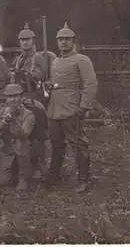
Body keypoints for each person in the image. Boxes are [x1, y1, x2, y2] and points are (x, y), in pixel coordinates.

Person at [46, 22, 97, 193]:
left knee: (78, 144)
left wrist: (83, 106)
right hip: (54, 108)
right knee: (56, 144)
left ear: (74, 41)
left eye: (67, 39)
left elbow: (90, 84)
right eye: (60, 39)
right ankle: (54, 176)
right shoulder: (55, 61)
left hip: (71, 108)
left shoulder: (82, 60)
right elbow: (55, 84)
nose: (64, 42)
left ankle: (83, 179)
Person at [6, 23, 49, 179]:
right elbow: (10, 76)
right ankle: (18, 165)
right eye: (22, 40)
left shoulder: (37, 57)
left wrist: (24, 73)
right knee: (17, 130)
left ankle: (37, 165)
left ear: (33, 40)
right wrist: (11, 72)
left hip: (33, 97)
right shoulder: (17, 59)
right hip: (18, 97)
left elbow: (38, 76)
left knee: (36, 134)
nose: (25, 42)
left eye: (27, 39)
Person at [0, 84, 36, 191]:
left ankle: (23, 177)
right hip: (7, 148)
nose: (13, 99)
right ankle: (12, 172)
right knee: (0, 182)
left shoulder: (28, 114)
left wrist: (14, 122)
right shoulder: (3, 111)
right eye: (10, 97)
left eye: (16, 96)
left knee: (22, 143)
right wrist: (5, 121)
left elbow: (24, 134)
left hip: (24, 148)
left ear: (21, 97)